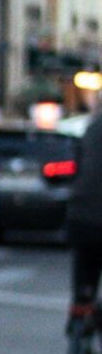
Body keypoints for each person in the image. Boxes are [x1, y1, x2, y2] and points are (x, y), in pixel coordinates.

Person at [66, 105, 102, 322]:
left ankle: (80, 309)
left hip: (81, 214)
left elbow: (77, 167)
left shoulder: (92, 128)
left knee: (84, 264)